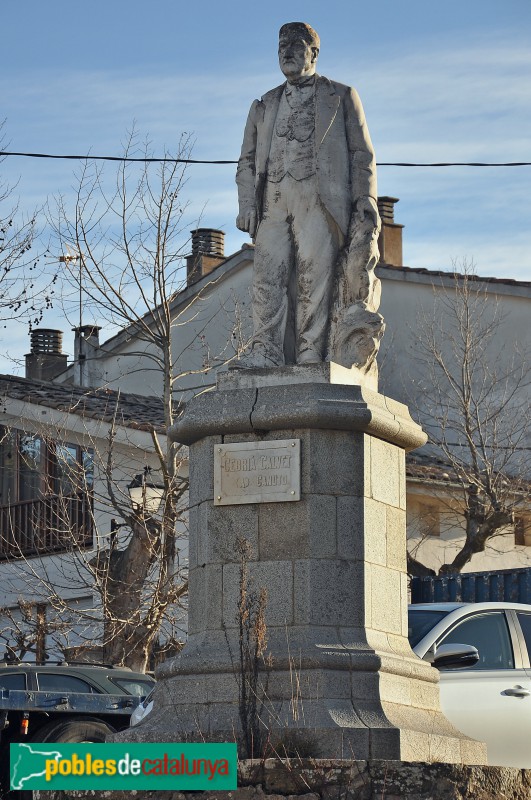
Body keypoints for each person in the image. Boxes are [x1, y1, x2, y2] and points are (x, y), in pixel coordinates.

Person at [235, 21, 380, 369]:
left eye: (296, 47)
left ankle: (310, 353)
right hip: (273, 200)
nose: (286, 53)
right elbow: (247, 161)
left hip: (320, 198)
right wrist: (245, 204)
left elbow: (362, 156)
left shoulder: (341, 96)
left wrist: (366, 201)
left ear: (313, 53)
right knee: (267, 274)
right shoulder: (264, 104)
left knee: (314, 275)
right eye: (281, 47)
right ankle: (265, 350)